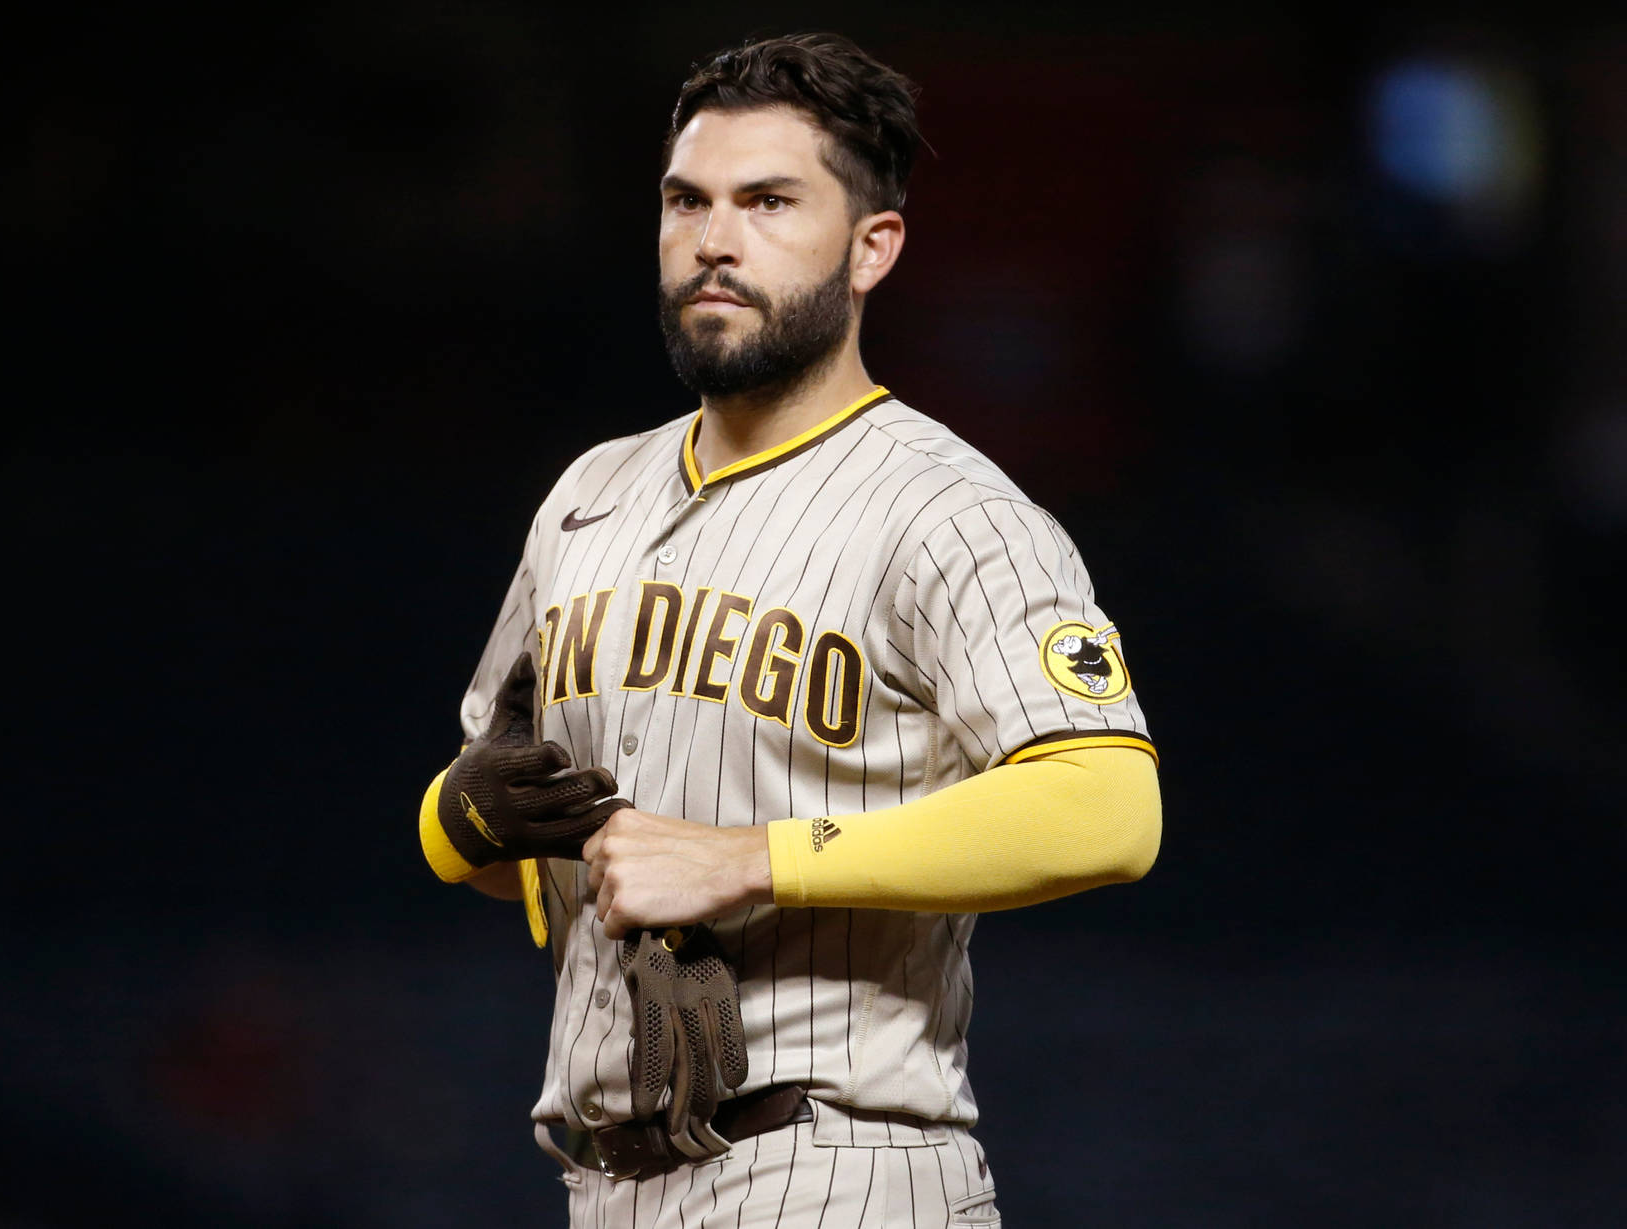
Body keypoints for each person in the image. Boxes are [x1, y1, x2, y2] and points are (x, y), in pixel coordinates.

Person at [418, 32, 1161, 1228]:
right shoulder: (587, 496)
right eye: (687, 201)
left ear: (874, 247)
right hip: (601, 1182)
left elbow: (1109, 807)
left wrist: (750, 856)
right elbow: (504, 845)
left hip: (839, 1166)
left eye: (769, 201)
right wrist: (457, 819)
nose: (716, 239)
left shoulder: (952, 510)